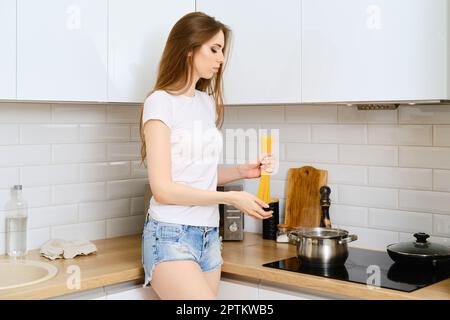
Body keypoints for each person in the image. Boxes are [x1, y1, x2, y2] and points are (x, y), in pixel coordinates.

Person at [139, 12, 275, 300]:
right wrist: (230, 197)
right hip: (171, 234)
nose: (221, 58)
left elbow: (197, 175)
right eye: (214, 49)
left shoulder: (206, 103)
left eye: (222, 50)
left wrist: (241, 171)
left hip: (210, 236)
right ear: (189, 48)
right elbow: (163, 190)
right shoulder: (160, 103)